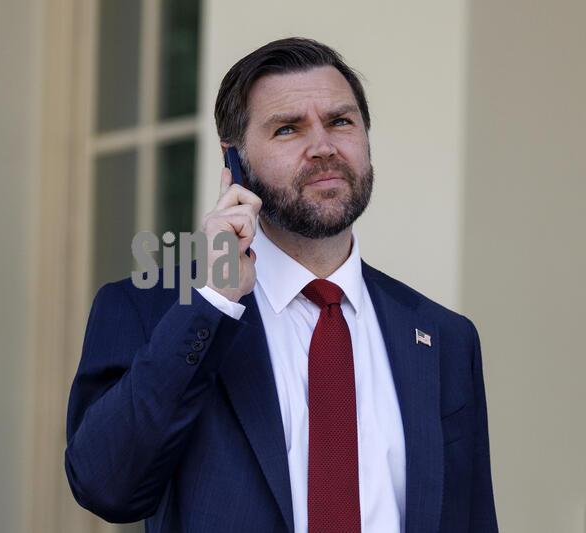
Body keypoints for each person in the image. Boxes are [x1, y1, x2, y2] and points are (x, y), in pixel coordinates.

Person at [65, 37, 498, 533]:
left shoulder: (444, 338)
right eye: (288, 129)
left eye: (340, 121)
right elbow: (107, 487)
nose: (323, 147)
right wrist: (212, 301)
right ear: (236, 163)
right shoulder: (150, 308)